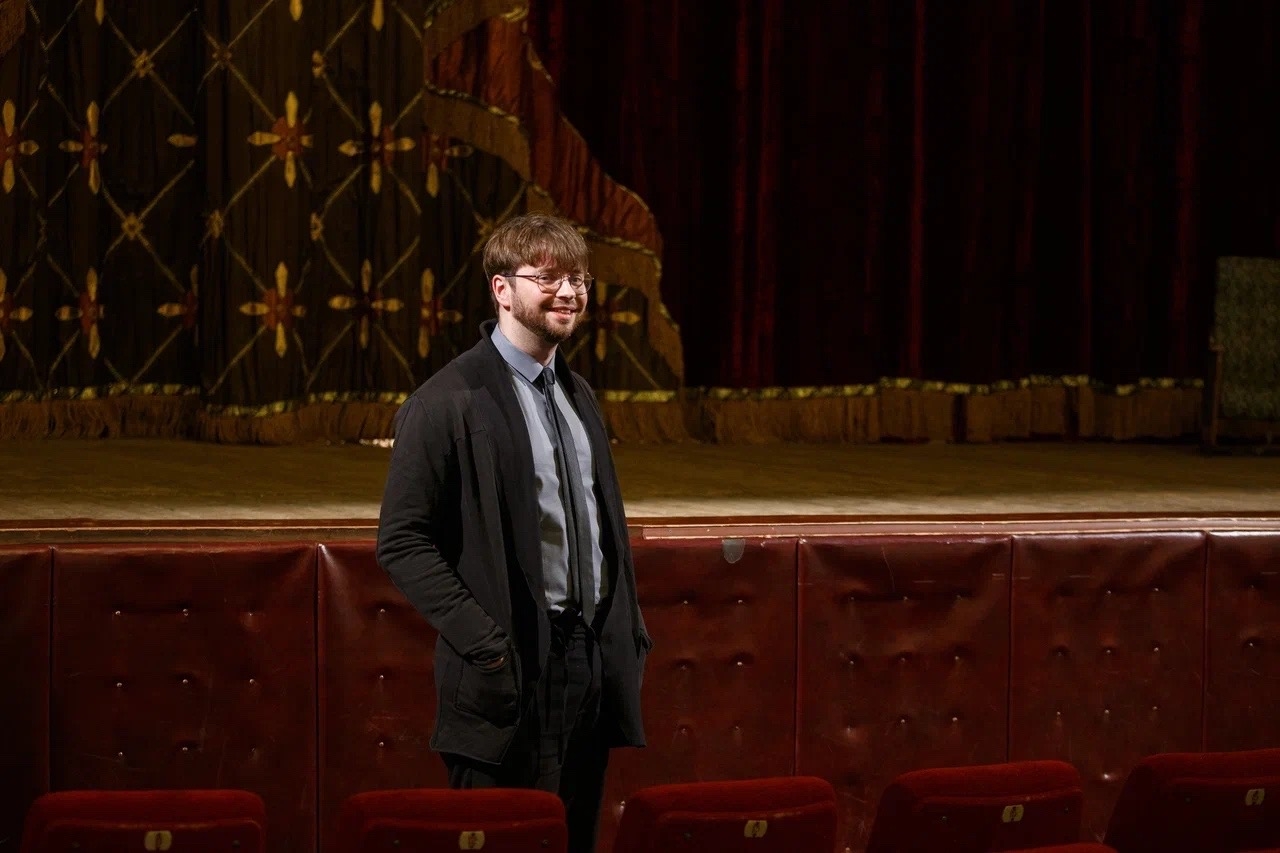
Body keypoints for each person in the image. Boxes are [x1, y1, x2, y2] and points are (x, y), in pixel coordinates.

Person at [377, 213, 652, 853]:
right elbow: (402, 542)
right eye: (549, 278)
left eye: (578, 279)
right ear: (502, 289)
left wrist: (626, 638)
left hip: (587, 667)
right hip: (508, 671)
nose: (569, 292)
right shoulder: (446, 401)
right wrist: (488, 645)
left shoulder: (578, 395)